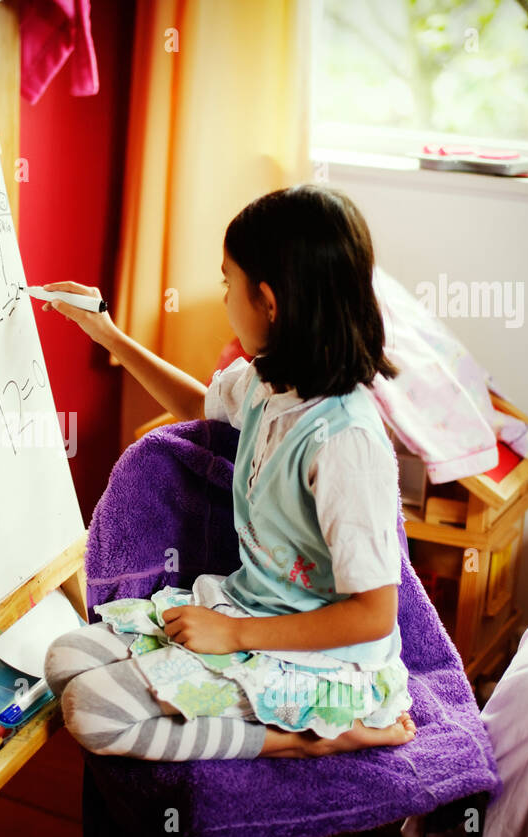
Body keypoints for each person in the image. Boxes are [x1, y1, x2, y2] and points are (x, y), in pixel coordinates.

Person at [42, 183, 416, 761]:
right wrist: (108, 334)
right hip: (247, 610)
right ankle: (261, 711)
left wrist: (235, 635)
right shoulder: (273, 381)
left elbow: (373, 615)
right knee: (65, 659)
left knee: (94, 710)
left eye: (226, 282)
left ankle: (300, 741)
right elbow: (201, 406)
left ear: (268, 301)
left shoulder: (346, 442)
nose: (223, 299)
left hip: (320, 662)